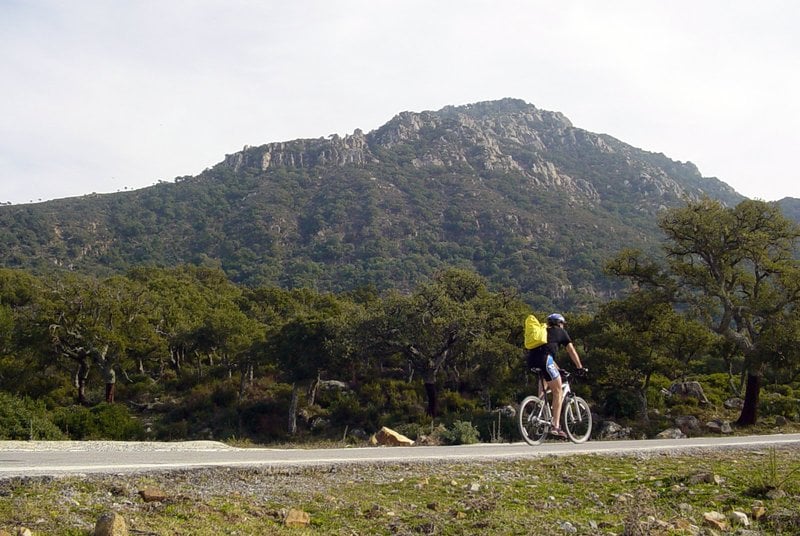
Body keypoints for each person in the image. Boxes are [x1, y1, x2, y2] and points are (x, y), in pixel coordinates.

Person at [525, 313, 585, 438]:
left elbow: (547, 354)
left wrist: (558, 369)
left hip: (532, 360)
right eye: (563, 324)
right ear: (559, 323)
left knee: (545, 382)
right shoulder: (561, 332)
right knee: (557, 391)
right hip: (545, 360)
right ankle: (555, 426)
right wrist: (579, 367)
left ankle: (539, 411)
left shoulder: (543, 331)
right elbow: (571, 351)